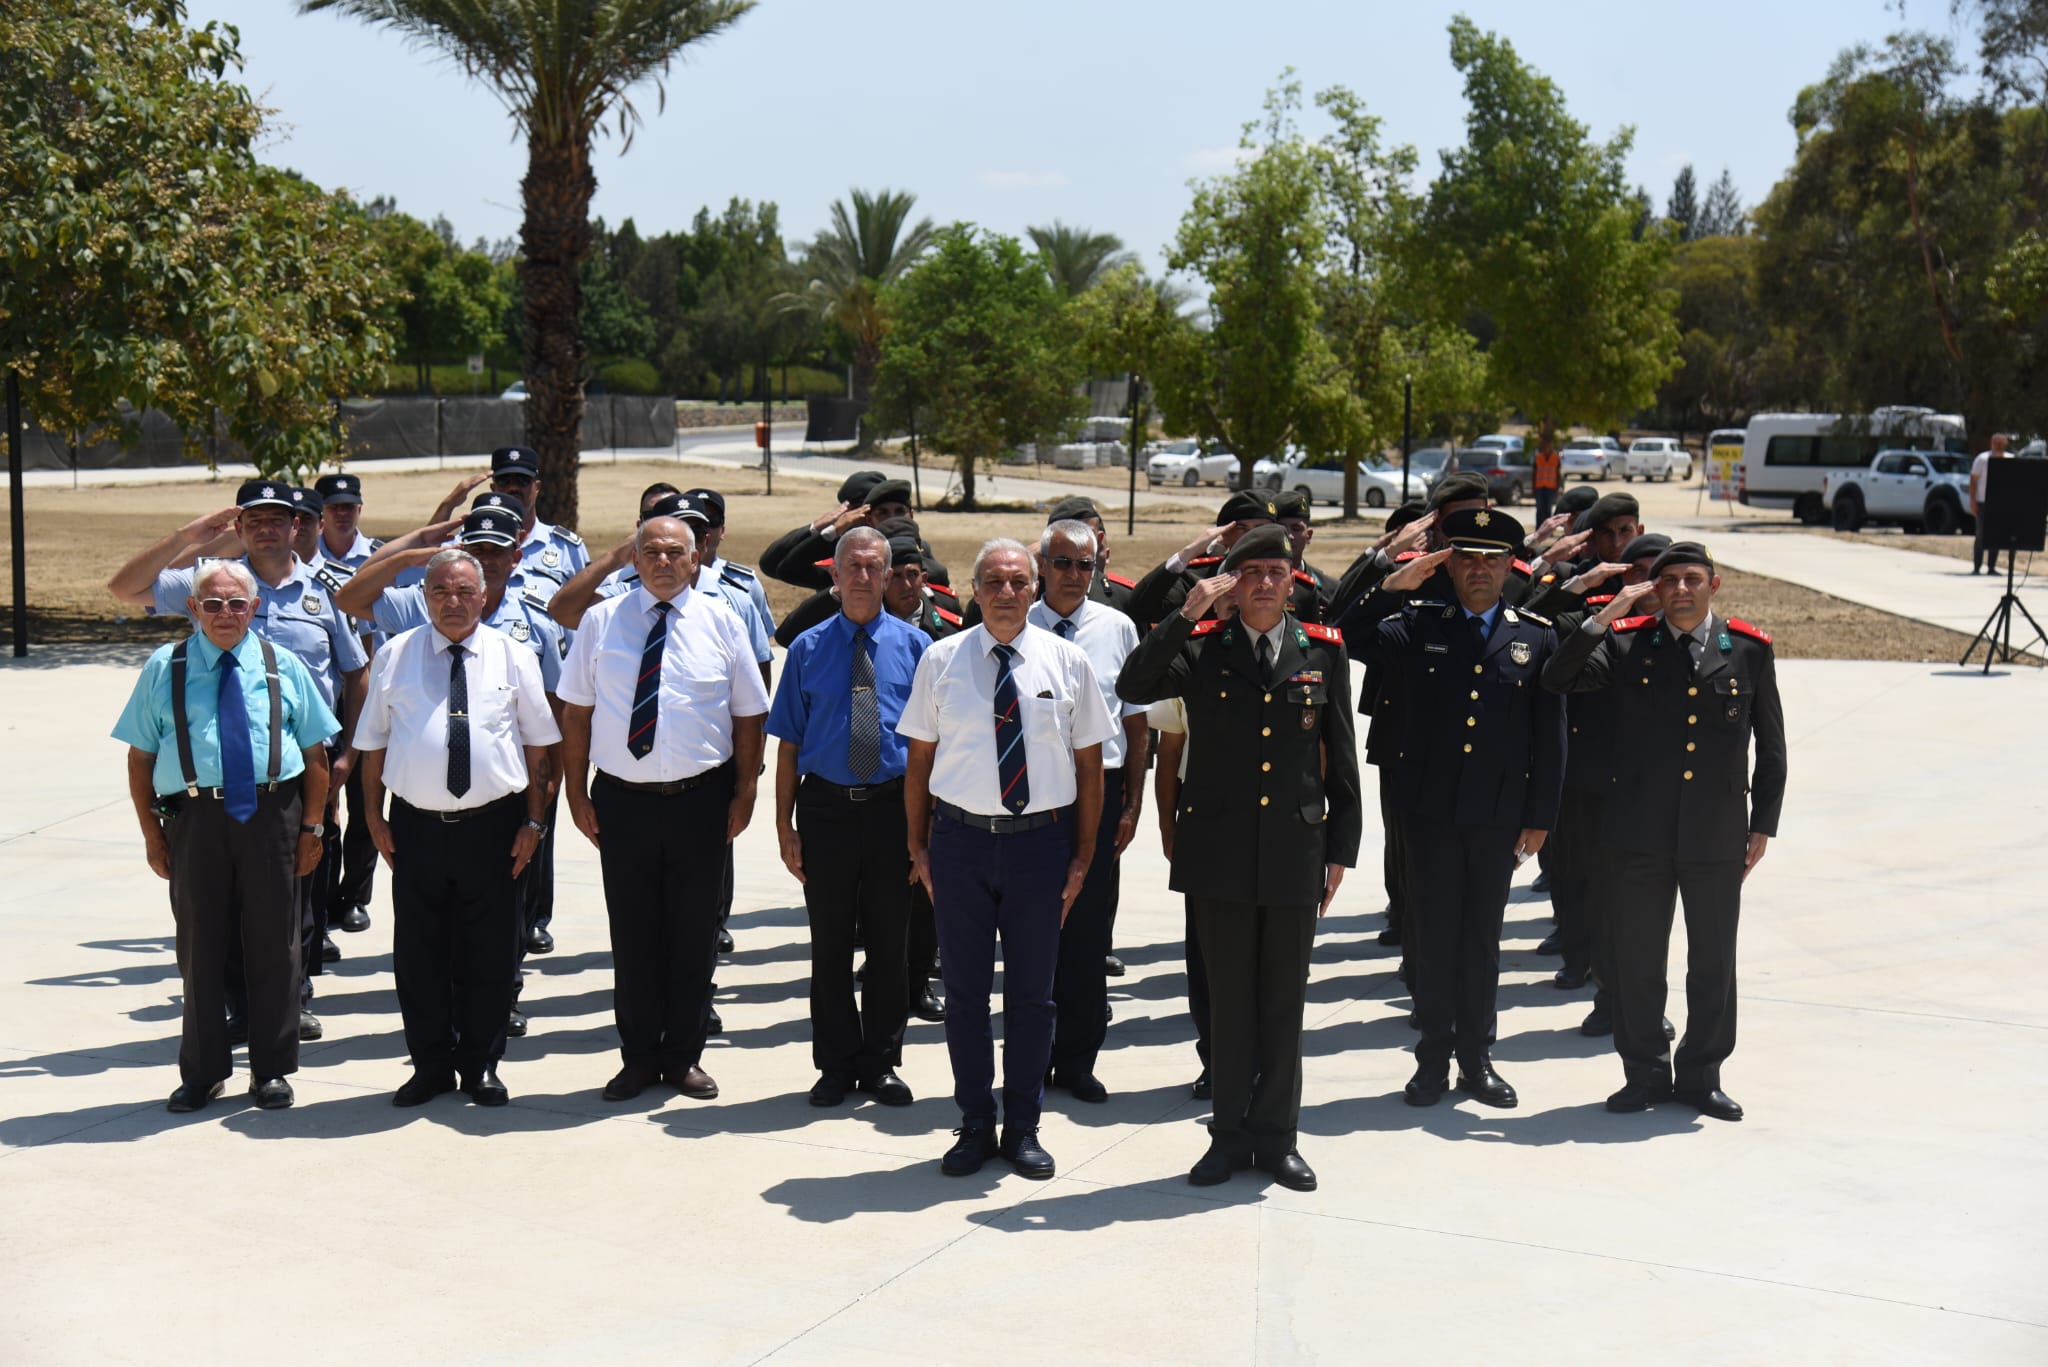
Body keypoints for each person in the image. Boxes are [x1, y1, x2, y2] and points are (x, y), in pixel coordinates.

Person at [1116, 524, 1360, 1191]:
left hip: (1293, 851)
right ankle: (1226, 1136)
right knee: (1228, 1004)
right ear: (1231, 582)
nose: (1263, 583)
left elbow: (1340, 755)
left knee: (1283, 1003)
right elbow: (1133, 683)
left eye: (1275, 572)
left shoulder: (1323, 651)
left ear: (1292, 582)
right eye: (1249, 572)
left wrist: (1340, 849)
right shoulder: (1201, 647)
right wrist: (1184, 613)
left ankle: (1277, 1138)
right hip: (1219, 853)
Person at [108, 479, 367, 1040]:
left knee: (299, 888)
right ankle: (238, 1004)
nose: (267, 528)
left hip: (299, 767)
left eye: (278, 518)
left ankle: (294, 996)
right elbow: (124, 588)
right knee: (221, 901)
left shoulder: (326, 592)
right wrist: (191, 536)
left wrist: (349, 752)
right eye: (254, 520)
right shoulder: (214, 582)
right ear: (239, 527)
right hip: (217, 773)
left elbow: (354, 671)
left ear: (298, 525)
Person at [1543, 541, 1786, 1121]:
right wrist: (1602, 618)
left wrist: (1762, 825)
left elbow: (1771, 745)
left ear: (1713, 585)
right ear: (1654, 588)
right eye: (1668, 580)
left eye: (1692, 579)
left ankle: (1702, 1075)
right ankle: (1645, 1074)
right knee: (1637, 961)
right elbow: (1557, 678)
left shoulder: (1747, 649)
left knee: (1713, 962)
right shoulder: (1627, 643)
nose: (1680, 589)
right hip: (1638, 834)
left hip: (1716, 834)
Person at [898, 539, 1115, 1180]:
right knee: (965, 995)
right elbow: (919, 761)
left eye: (1019, 581)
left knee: (1032, 996)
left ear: (1035, 586)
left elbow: (1090, 767)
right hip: (960, 844)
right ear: (975, 589)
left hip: (1039, 846)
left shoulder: (1067, 661)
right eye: (993, 581)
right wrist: (918, 845)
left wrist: (1083, 854)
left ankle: (1022, 1125)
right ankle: (974, 1122)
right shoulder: (941, 659)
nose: (1007, 593)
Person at [1339, 507, 1564, 1113]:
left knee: (1482, 939)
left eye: (1492, 559)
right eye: (1467, 558)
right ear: (1450, 565)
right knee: (1435, 937)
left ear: (1510, 567)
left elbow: (1550, 739)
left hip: (1498, 815)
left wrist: (1540, 818)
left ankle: (1477, 1059)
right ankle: (1432, 1060)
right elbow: (1347, 637)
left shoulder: (1535, 636)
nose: (1479, 570)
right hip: (1430, 811)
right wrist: (1391, 583)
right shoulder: (1417, 623)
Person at [113, 560, 338, 1112]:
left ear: (254, 608)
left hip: (273, 816)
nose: (225, 614)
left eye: (237, 603)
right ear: (193, 609)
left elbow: (316, 756)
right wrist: (151, 834)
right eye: (212, 603)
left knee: (275, 945)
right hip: (196, 819)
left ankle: (271, 1069)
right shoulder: (166, 667)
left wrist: (312, 828)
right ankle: (203, 1071)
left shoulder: (282, 665)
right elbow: (140, 758)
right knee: (200, 948)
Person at [557, 514, 769, 1103]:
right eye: (652, 552)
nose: (664, 563)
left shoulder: (723, 621)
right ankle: (639, 1056)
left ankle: (682, 1056)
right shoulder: (601, 622)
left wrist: (745, 791)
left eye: (676, 553)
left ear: (695, 559)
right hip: (622, 802)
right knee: (633, 934)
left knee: (694, 935)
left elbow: (749, 715)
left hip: (701, 801)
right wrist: (576, 792)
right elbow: (576, 713)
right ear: (635, 559)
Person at [334, 504, 569, 1031]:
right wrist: (373, 818)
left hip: (498, 817)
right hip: (418, 823)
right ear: (424, 595)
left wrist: (538, 818)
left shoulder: (520, 643)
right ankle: (433, 1057)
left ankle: (486, 1045)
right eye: (441, 591)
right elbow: (374, 743)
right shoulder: (401, 647)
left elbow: (543, 735)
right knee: (422, 949)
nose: (454, 601)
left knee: (494, 944)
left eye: (467, 590)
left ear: (489, 589)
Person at [767, 527, 928, 1108]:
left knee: (890, 943)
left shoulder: (919, 648)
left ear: (888, 576)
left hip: (893, 810)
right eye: (852, 567)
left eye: (873, 567)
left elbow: (929, 748)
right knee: (830, 944)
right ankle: (835, 1064)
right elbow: (788, 745)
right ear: (833, 577)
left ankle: (881, 1061)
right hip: (826, 809)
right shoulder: (806, 649)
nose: (863, 576)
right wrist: (784, 826)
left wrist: (923, 832)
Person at [1028, 519, 1147, 1104]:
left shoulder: (1118, 627)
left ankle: (1077, 1060)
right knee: (1032, 930)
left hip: (1102, 790)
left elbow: (1136, 722)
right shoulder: (1013, 621)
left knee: (1088, 930)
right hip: (1031, 793)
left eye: (1086, 565)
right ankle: (1031, 1056)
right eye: (1063, 563)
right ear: (1041, 565)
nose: (1074, 575)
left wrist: (1133, 803)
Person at [309, 472, 383, 940]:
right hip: (322, 703)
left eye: (349, 505)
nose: (342, 513)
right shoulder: (303, 556)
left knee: (365, 800)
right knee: (324, 807)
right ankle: (318, 903)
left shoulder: (377, 556)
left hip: (366, 697)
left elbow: (370, 644)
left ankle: (354, 895)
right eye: (333, 506)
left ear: (359, 508)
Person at [1144, 693, 1211, 1098]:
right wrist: (1167, 824)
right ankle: (1217, 1061)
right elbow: (1171, 746)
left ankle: (1265, 1068)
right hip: (1202, 808)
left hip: (1277, 812)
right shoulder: (1189, 661)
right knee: (1205, 949)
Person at [1127, 491, 1318, 629]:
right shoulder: (1196, 578)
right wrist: (1187, 553)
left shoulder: (1297, 587)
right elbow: (1139, 609)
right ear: (1224, 535)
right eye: (1242, 529)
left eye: (1261, 528)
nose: (1253, 536)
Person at [1972, 433, 2011, 575]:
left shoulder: (2010, 459)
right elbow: (1973, 481)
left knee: (1996, 535)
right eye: (1996, 443)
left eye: (2001, 443)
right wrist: (1973, 501)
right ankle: (1977, 567)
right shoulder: (1982, 459)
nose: (1999, 446)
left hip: (2001, 504)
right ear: (1991, 444)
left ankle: (1991, 567)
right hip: (1983, 502)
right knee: (1981, 535)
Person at [1532, 439, 1561, 525]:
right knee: (1539, 510)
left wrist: (1557, 488)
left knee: (1548, 510)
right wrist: (1533, 488)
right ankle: (1539, 528)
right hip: (1539, 487)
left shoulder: (1555, 458)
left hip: (1550, 488)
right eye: (1544, 447)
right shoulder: (1538, 458)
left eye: (1548, 446)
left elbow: (1558, 475)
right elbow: (1534, 474)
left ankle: (1548, 528)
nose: (1546, 448)